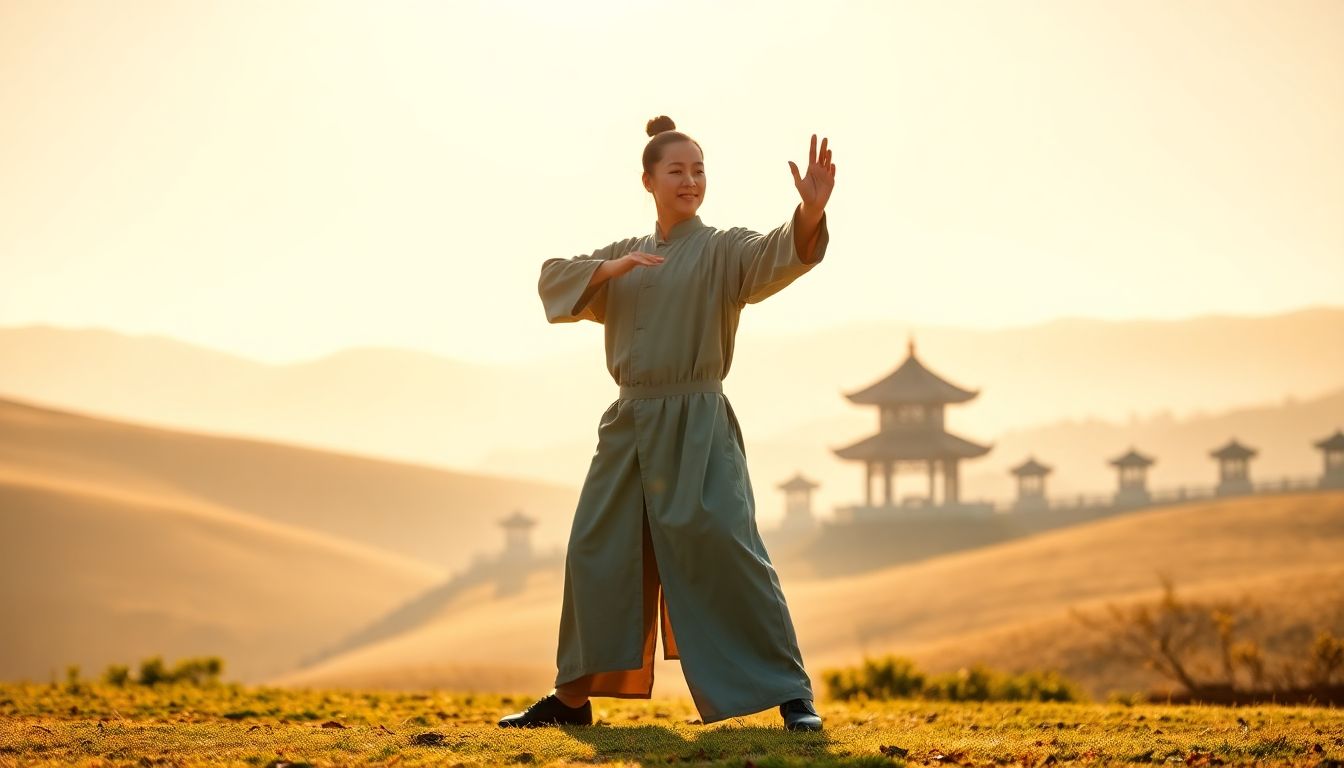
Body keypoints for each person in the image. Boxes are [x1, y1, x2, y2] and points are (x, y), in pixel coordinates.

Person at [499, 115, 835, 731]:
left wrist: (808, 215)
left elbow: (774, 254)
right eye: (676, 170)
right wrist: (611, 271)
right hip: (628, 427)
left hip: (698, 422)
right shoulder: (626, 256)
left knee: (729, 546)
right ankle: (571, 702)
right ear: (648, 181)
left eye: (699, 170)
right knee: (594, 550)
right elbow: (552, 276)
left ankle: (792, 695)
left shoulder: (722, 248)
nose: (690, 181)